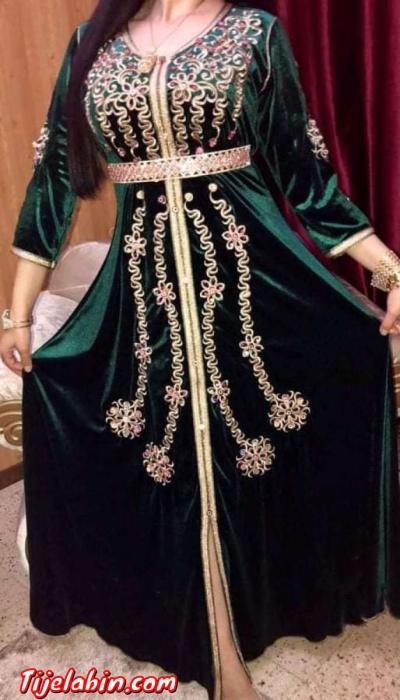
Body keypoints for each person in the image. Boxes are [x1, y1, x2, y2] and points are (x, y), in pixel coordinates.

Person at [1, 0, 400, 698]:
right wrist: (19, 313)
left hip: (251, 285)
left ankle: (249, 621)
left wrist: (391, 271)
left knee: (264, 437)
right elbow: (56, 180)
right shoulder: (94, 44)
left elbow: (305, 177)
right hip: (143, 296)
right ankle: (206, 642)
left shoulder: (254, 35)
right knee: (161, 456)